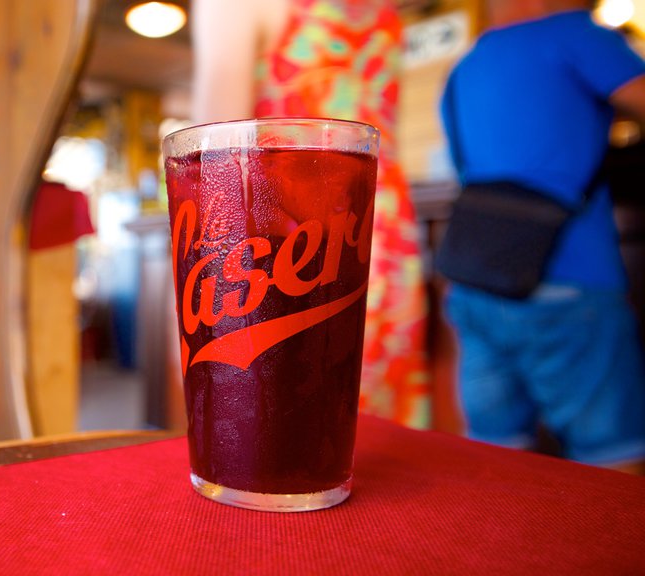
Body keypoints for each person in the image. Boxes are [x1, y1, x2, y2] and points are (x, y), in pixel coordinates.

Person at [191, 0, 431, 428]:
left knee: (298, 422)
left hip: (301, 244)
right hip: (385, 228)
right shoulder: (386, 10)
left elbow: (215, 158)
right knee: (372, 428)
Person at [440, 0, 645, 473]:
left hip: (474, 280)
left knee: (493, 454)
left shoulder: (467, 63)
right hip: (570, 277)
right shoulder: (579, 34)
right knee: (612, 461)